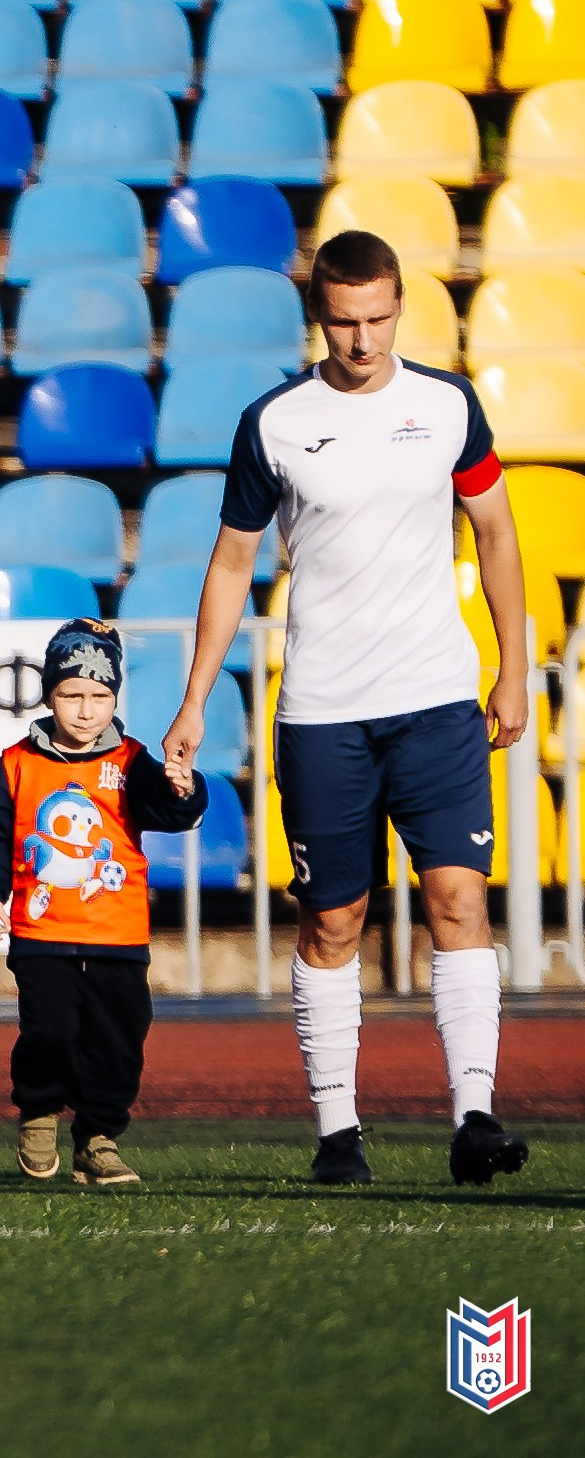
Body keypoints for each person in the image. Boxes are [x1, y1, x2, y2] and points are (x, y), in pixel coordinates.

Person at [161, 230, 532, 1188]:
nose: (361, 340)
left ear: (399, 307)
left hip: (436, 700)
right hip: (323, 710)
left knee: (458, 901)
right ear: (316, 319)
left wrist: (512, 667)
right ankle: (337, 1133)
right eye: (341, 323)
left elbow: (495, 532)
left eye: (376, 319)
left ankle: (475, 1116)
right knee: (334, 921)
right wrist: (195, 699)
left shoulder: (447, 405)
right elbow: (231, 563)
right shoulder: (273, 422)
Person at [0, 620, 206, 1187]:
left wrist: (182, 788)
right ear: (49, 695)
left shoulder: (132, 760)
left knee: (120, 1037)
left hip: (118, 936)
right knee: (49, 1030)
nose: (86, 710)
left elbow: (170, 811)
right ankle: (39, 1113)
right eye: (71, 695)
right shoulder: (16, 763)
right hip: (42, 935)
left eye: (99, 696)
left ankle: (98, 1138)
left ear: (115, 699)